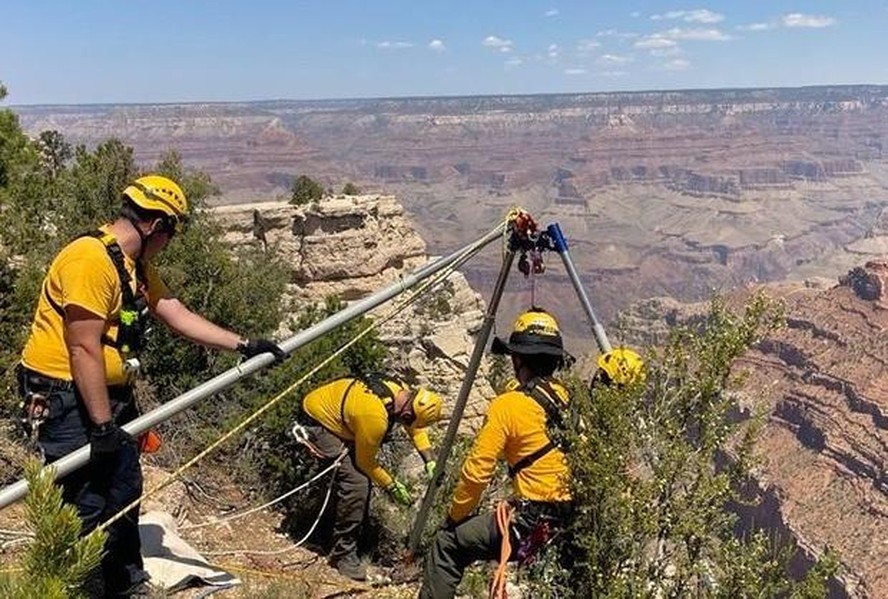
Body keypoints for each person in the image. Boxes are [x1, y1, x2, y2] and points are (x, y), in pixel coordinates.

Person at [16, 174, 285, 597]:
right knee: (85, 499)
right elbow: (82, 348)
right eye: (171, 233)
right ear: (156, 226)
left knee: (124, 486)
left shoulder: (133, 264)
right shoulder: (89, 260)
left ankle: (124, 582)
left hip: (107, 393)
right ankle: (79, 587)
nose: (168, 243)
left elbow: (172, 310)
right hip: (65, 394)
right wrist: (103, 427)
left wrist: (243, 344)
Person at [419, 308, 574, 599]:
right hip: (572, 516)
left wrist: (455, 517)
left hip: (532, 521)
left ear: (517, 359)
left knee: (446, 546)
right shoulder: (568, 397)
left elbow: (477, 472)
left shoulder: (508, 405)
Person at [297, 374, 443, 581]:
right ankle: (342, 553)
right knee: (357, 482)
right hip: (319, 422)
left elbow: (415, 428)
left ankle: (333, 531)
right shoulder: (375, 417)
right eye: (409, 420)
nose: (408, 424)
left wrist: (429, 458)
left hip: (341, 417)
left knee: (355, 479)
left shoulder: (401, 392)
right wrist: (392, 486)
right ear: (408, 411)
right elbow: (365, 462)